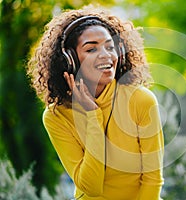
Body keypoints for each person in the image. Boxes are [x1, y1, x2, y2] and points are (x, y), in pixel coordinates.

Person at [27, 5, 164, 200]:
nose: (106, 55)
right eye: (91, 49)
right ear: (70, 61)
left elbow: (152, 180)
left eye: (110, 47)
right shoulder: (56, 116)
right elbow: (91, 187)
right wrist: (92, 115)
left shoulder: (140, 100)